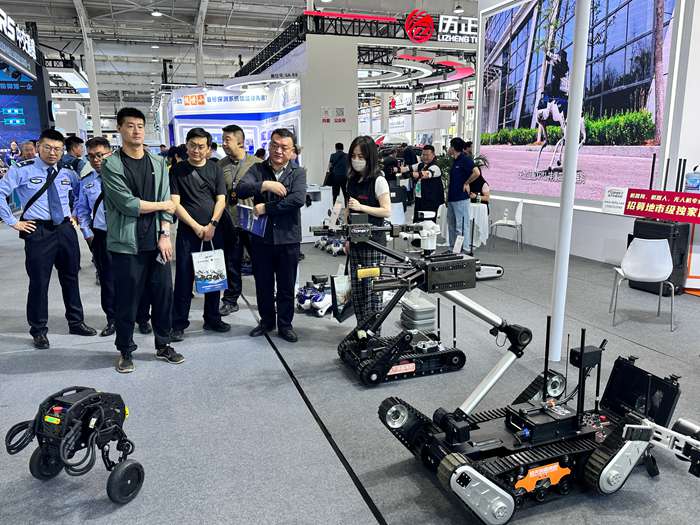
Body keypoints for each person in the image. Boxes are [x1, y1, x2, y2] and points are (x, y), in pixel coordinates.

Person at [101, 107, 184, 374]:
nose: (136, 131)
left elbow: (166, 201)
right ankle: (125, 350)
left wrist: (165, 234)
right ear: (119, 129)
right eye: (130, 126)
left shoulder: (158, 163)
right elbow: (128, 204)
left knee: (163, 295)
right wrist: (163, 205)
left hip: (156, 242)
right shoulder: (111, 165)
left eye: (140, 126)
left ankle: (164, 345)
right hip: (127, 244)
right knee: (128, 300)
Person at [0, 129, 96, 349]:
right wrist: (13, 221)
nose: (53, 153)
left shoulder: (67, 171)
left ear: (63, 150)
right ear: (38, 147)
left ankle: (76, 322)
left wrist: (75, 213)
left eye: (57, 149)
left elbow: (80, 192)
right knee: (39, 282)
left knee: (71, 277)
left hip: (65, 229)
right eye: (48, 148)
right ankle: (39, 330)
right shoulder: (22, 169)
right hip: (38, 231)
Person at [236, 128, 306, 343]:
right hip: (262, 239)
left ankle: (285, 325)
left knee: (286, 285)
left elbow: (297, 199)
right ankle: (267, 322)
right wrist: (265, 185)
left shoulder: (298, 172)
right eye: (274, 145)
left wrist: (267, 207)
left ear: (292, 151)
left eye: (284, 147)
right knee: (263, 284)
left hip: (288, 238)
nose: (278, 150)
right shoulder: (258, 169)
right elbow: (241, 189)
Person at [170, 128, 230, 339]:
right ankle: (178, 323)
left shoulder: (215, 169)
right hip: (188, 233)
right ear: (186, 146)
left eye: (201, 146)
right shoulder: (177, 170)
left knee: (212, 275)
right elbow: (175, 203)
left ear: (208, 148)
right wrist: (196, 226)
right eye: (193, 145)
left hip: (214, 231)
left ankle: (212, 318)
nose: (196, 150)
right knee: (184, 278)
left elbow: (221, 199)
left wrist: (212, 224)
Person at [346, 136, 391, 329]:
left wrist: (362, 207)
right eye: (353, 156)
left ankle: (373, 333)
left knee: (372, 291)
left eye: (361, 156)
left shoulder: (379, 180)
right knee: (358, 291)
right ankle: (361, 330)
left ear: (370, 157)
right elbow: (349, 210)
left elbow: (386, 211)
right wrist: (347, 238)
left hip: (373, 244)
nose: (356, 160)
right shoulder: (352, 180)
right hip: (356, 241)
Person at [75, 137, 117, 337]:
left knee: (133, 278)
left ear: (110, 153)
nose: (96, 160)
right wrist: (88, 234)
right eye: (91, 156)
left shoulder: (123, 176)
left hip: (125, 235)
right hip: (101, 235)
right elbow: (82, 210)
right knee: (107, 280)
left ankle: (141, 317)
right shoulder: (87, 181)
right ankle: (112, 319)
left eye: (100, 155)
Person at [219, 124, 261, 315]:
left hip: (254, 221)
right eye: (223, 140)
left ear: (240, 142)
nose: (223, 143)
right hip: (230, 222)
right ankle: (230, 299)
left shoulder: (257, 164)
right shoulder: (220, 166)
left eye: (227, 140)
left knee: (260, 262)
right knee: (231, 262)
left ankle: (266, 296)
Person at [401, 145, 443, 222]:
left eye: (427, 155)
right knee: (417, 222)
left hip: (430, 201)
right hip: (419, 198)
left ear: (433, 155)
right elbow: (407, 168)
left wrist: (411, 174)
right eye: (423, 155)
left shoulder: (435, 167)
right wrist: (396, 169)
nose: (425, 157)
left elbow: (426, 174)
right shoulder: (421, 165)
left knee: (428, 223)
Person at [446, 137, 474, 251]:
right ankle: (453, 248)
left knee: (461, 226)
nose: (448, 149)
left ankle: (464, 249)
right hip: (452, 198)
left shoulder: (465, 160)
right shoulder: (455, 161)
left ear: (453, 148)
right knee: (451, 225)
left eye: (450, 146)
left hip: (461, 198)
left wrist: (466, 183)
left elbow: (476, 172)